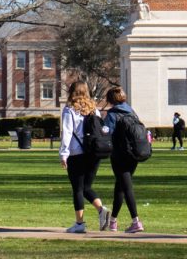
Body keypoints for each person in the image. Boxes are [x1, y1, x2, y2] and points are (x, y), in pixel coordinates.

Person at [58, 80, 109, 234]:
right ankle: (101, 209)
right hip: (93, 153)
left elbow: (67, 132)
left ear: (72, 91)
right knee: (86, 187)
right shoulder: (95, 109)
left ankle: (79, 223)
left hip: (76, 153)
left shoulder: (70, 109)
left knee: (78, 189)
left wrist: (63, 154)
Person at [103, 86, 143, 234]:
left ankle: (136, 221)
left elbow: (106, 132)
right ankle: (113, 221)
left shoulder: (112, 114)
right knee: (120, 186)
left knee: (126, 187)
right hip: (133, 154)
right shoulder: (131, 111)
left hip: (119, 155)